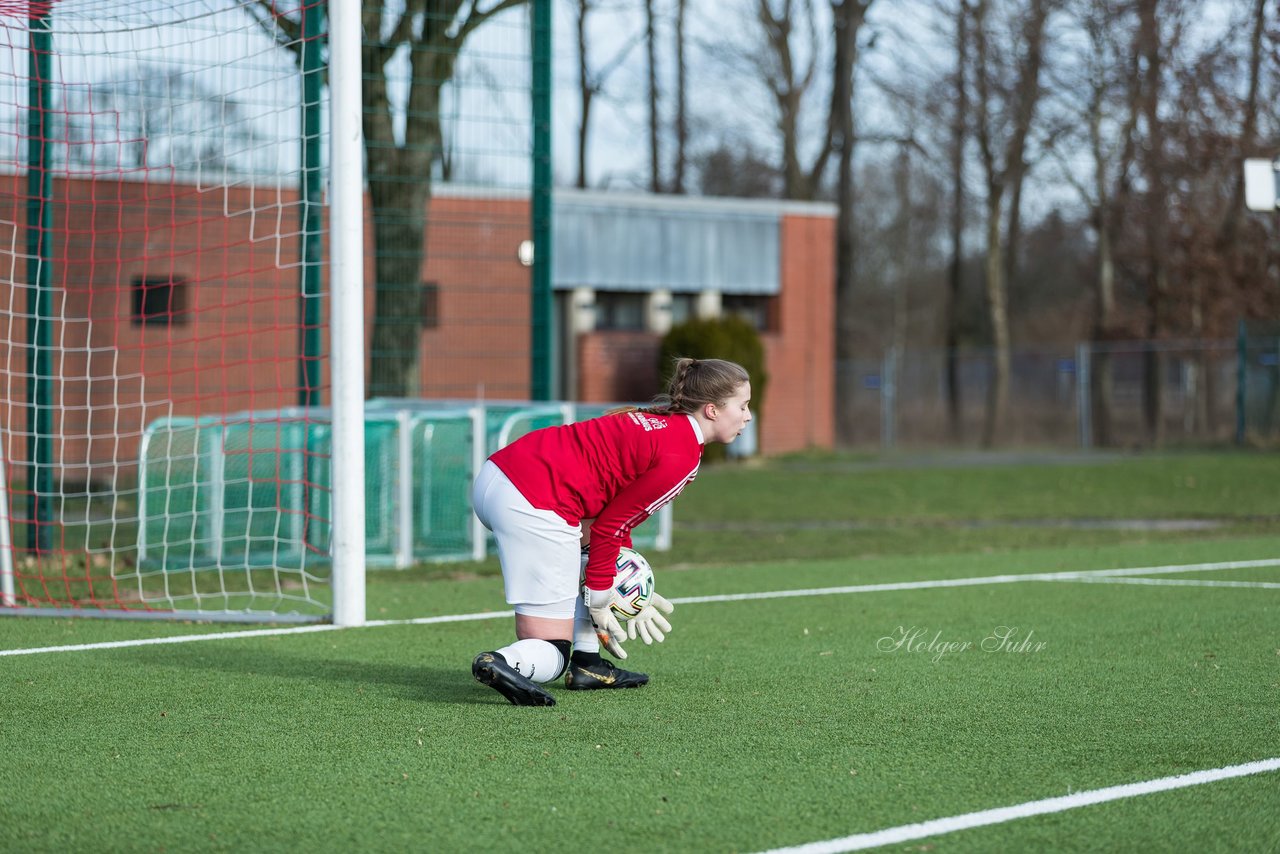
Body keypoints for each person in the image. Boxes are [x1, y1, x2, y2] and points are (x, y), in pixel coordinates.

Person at [470, 357, 753, 706]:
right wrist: (603, 596)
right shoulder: (682, 454)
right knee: (551, 651)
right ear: (712, 410)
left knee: (590, 559)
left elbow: (609, 523)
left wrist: (621, 581)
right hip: (533, 500)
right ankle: (501, 662)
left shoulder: (660, 422)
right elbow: (611, 527)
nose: (748, 416)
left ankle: (588, 665)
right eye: (743, 406)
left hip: (499, 475)